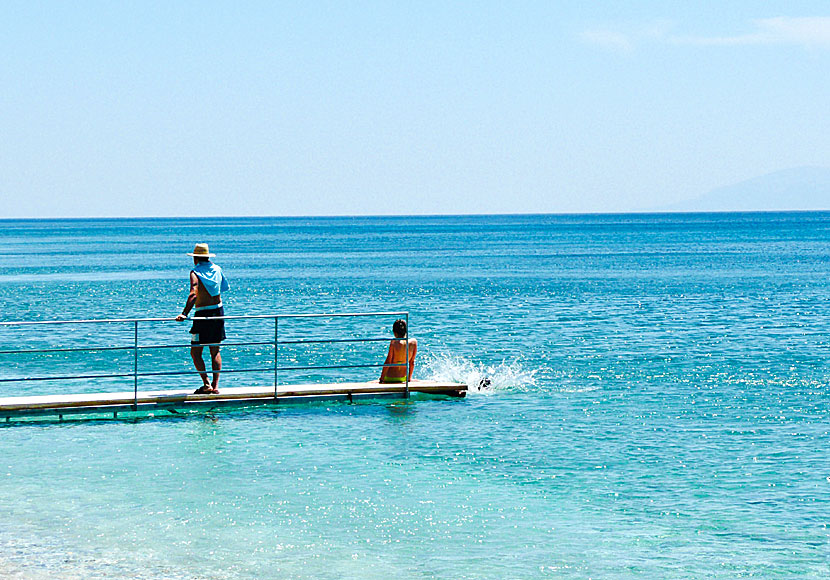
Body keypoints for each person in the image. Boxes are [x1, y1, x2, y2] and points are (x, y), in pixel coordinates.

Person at [175, 243, 230, 394]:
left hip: (202, 315)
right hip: (218, 312)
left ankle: (206, 384)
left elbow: (194, 293)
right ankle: (216, 386)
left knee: (195, 352)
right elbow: (222, 288)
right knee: (215, 351)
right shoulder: (218, 269)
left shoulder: (195, 272)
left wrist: (184, 313)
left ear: (196, 258)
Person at [379, 319, 417, 384]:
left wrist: (381, 379)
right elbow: (412, 363)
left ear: (395, 332)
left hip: (390, 378)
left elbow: (388, 361)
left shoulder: (394, 342)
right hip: (403, 378)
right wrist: (409, 379)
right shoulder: (413, 342)